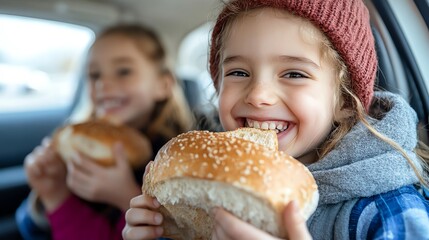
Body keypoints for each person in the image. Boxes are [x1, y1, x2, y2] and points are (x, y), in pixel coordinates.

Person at [122, 0, 429, 239]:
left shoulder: (385, 209)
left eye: (294, 74)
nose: (258, 95)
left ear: (345, 101)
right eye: (238, 73)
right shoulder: (214, 187)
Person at [16, 24, 194, 240]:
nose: (103, 84)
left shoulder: (174, 157)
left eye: (123, 71)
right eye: (94, 75)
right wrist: (49, 192)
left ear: (163, 85)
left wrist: (127, 196)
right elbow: (31, 229)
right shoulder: (77, 142)